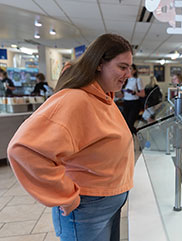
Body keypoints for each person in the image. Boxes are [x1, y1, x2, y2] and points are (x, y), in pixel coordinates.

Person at [7, 33, 135, 241]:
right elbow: (23, 149)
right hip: (86, 209)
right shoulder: (75, 99)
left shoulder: (104, 98)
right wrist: (65, 196)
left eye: (130, 67)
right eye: (122, 67)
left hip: (107, 204)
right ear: (99, 64)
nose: (128, 74)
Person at [122, 63, 145, 134]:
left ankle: (135, 136)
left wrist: (134, 93)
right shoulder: (125, 80)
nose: (128, 70)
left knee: (130, 123)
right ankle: (133, 136)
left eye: (130, 68)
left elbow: (143, 94)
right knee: (125, 124)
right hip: (126, 103)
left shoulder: (137, 80)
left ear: (134, 71)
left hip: (134, 103)